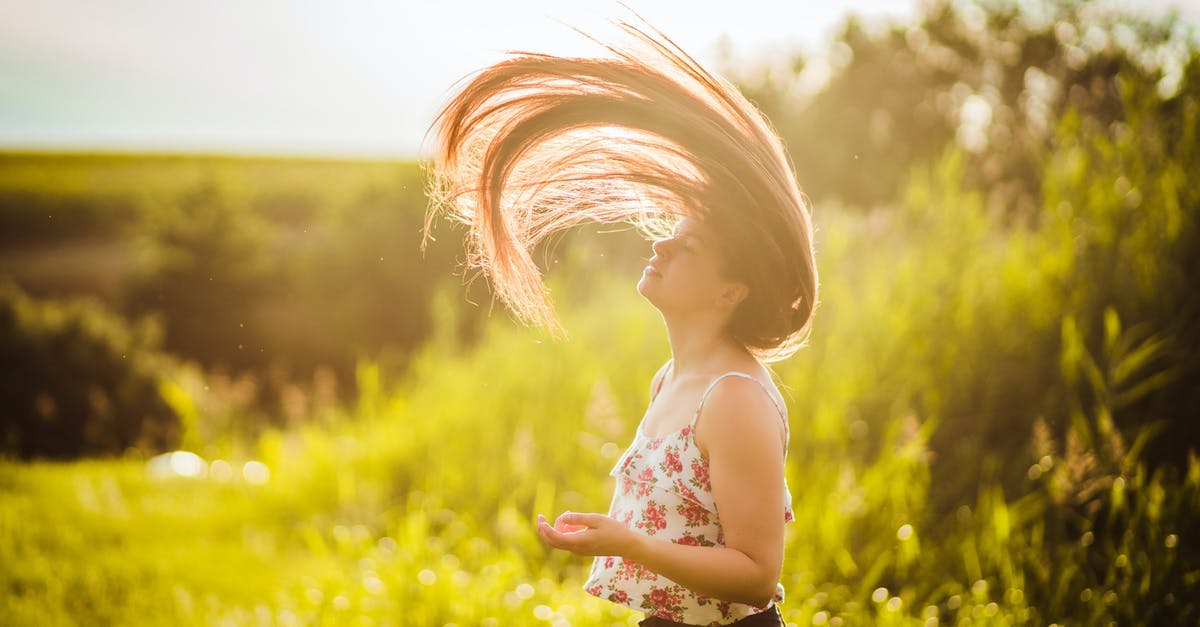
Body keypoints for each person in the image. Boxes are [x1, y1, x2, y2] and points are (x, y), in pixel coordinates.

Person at [423, 12, 818, 627]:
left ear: (730, 293)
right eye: (669, 234)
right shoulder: (670, 379)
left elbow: (758, 573)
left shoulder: (735, 398)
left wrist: (629, 544)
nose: (659, 247)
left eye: (686, 248)